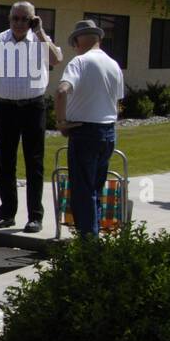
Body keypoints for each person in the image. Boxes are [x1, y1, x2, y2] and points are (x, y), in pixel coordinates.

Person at [0, 0, 63, 232]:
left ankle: (35, 216)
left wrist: (41, 31)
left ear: (33, 19)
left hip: (34, 107)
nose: (19, 23)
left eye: (25, 18)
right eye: (16, 18)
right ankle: (7, 214)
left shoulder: (40, 40)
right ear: (9, 19)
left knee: (34, 162)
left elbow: (56, 60)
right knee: (5, 162)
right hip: (6, 108)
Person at [56, 20, 123, 237]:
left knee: (83, 191)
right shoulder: (113, 64)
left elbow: (62, 91)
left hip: (84, 132)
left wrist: (61, 122)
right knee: (95, 188)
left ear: (77, 41)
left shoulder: (80, 62)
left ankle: (89, 242)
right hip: (108, 131)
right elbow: (116, 102)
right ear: (98, 39)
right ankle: (93, 235)